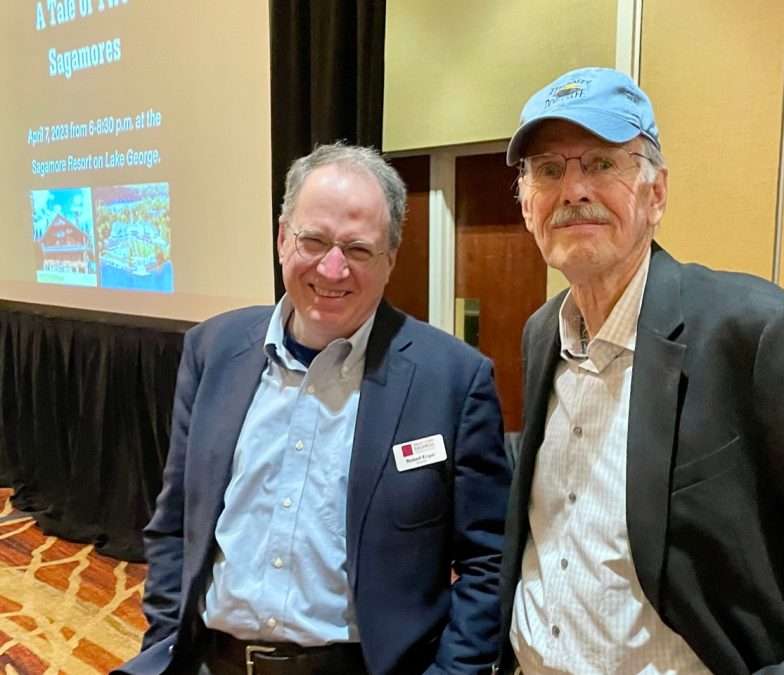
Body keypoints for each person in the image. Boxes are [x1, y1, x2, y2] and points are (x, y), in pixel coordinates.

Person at [495, 67, 784, 674]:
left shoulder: (758, 333)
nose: (573, 188)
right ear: (527, 204)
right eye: (549, 170)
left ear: (655, 194)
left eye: (602, 164)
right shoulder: (539, 336)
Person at [117, 143, 510, 675]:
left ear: (391, 258)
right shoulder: (214, 349)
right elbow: (176, 521)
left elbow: (490, 561)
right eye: (314, 240)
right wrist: (164, 640)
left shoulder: (453, 380)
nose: (332, 267)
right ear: (283, 239)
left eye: (358, 249)